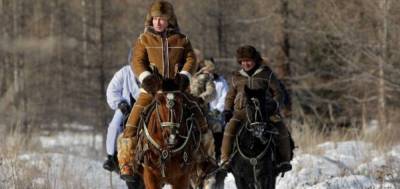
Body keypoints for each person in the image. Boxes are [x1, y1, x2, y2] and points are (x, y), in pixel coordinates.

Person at [117, 0, 210, 181]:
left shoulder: (182, 40)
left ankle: (205, 160)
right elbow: (136, 61)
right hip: (152, 91)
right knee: (132, 122)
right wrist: (146, 77)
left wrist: (184, 76)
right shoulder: (143, 39)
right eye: (155, 19)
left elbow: (191, 59)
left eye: (162, 19)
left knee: (200, 119)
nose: (158, 22)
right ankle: (127, 162)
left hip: (178, 90)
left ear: (170, 20)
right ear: (150, 20)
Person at [220, 45, 293, 173]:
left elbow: (278, 93)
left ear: (255, 60)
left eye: (248, 60)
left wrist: (275, 105)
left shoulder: (266, 74)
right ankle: (226, 160)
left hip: (265, 111)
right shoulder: (236, 76)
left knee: (281, 128)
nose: (246, 64)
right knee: (229, 128)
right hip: (242, 112)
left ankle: (284, 160)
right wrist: (227, 110)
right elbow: (230, 96)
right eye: (243, 61)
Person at [103, 64, 140, 172]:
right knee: (114, 126)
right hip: (126, 107)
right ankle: (111, 157)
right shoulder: (124, 72)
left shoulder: (150, 71)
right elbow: (111, 90)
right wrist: (119, 103)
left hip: (146, 107)